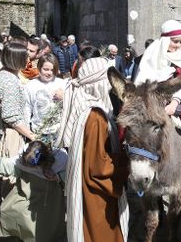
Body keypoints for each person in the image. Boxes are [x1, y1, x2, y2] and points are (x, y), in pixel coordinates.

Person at [56, 57, 130, 242]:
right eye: (108, 80)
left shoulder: (90, 110)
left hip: (89, 187)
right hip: (97, 195)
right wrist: (126, 164)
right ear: (99, 82)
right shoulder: (95, 117)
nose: (111, 86)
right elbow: (98, 167)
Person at [0, 141, 67, 242]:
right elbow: (69, 177)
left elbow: (8, 165)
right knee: (44, 228)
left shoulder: (22, 163)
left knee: (13, 215)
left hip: (29, 201)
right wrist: (59, 178)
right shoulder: (61, 162)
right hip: (48, 205)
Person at [0, 43, 36, 195]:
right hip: (11, 134)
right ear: (17, 59)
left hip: (8, 131)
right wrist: (31, 135)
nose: (28, 59)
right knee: (12, 181)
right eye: (25, 57)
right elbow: (10, 115)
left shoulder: (3, 74)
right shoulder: (9, 80)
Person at [134, 20, 181, 116]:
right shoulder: (151, 53)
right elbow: (143, 77)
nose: (179, 45)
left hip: (177, 98)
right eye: (176, 41)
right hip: (150, 98)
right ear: (166, 40)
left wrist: (174, 104)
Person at [24, 53, 67, 143]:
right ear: (39, 68)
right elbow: (27, 109)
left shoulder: (62, 83)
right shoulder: (31, 85)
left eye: (52, 70)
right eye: (46, 69)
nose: (49, 73)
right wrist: (28, 133)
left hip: (58, 132)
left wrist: (65, 97)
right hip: (38, 132)